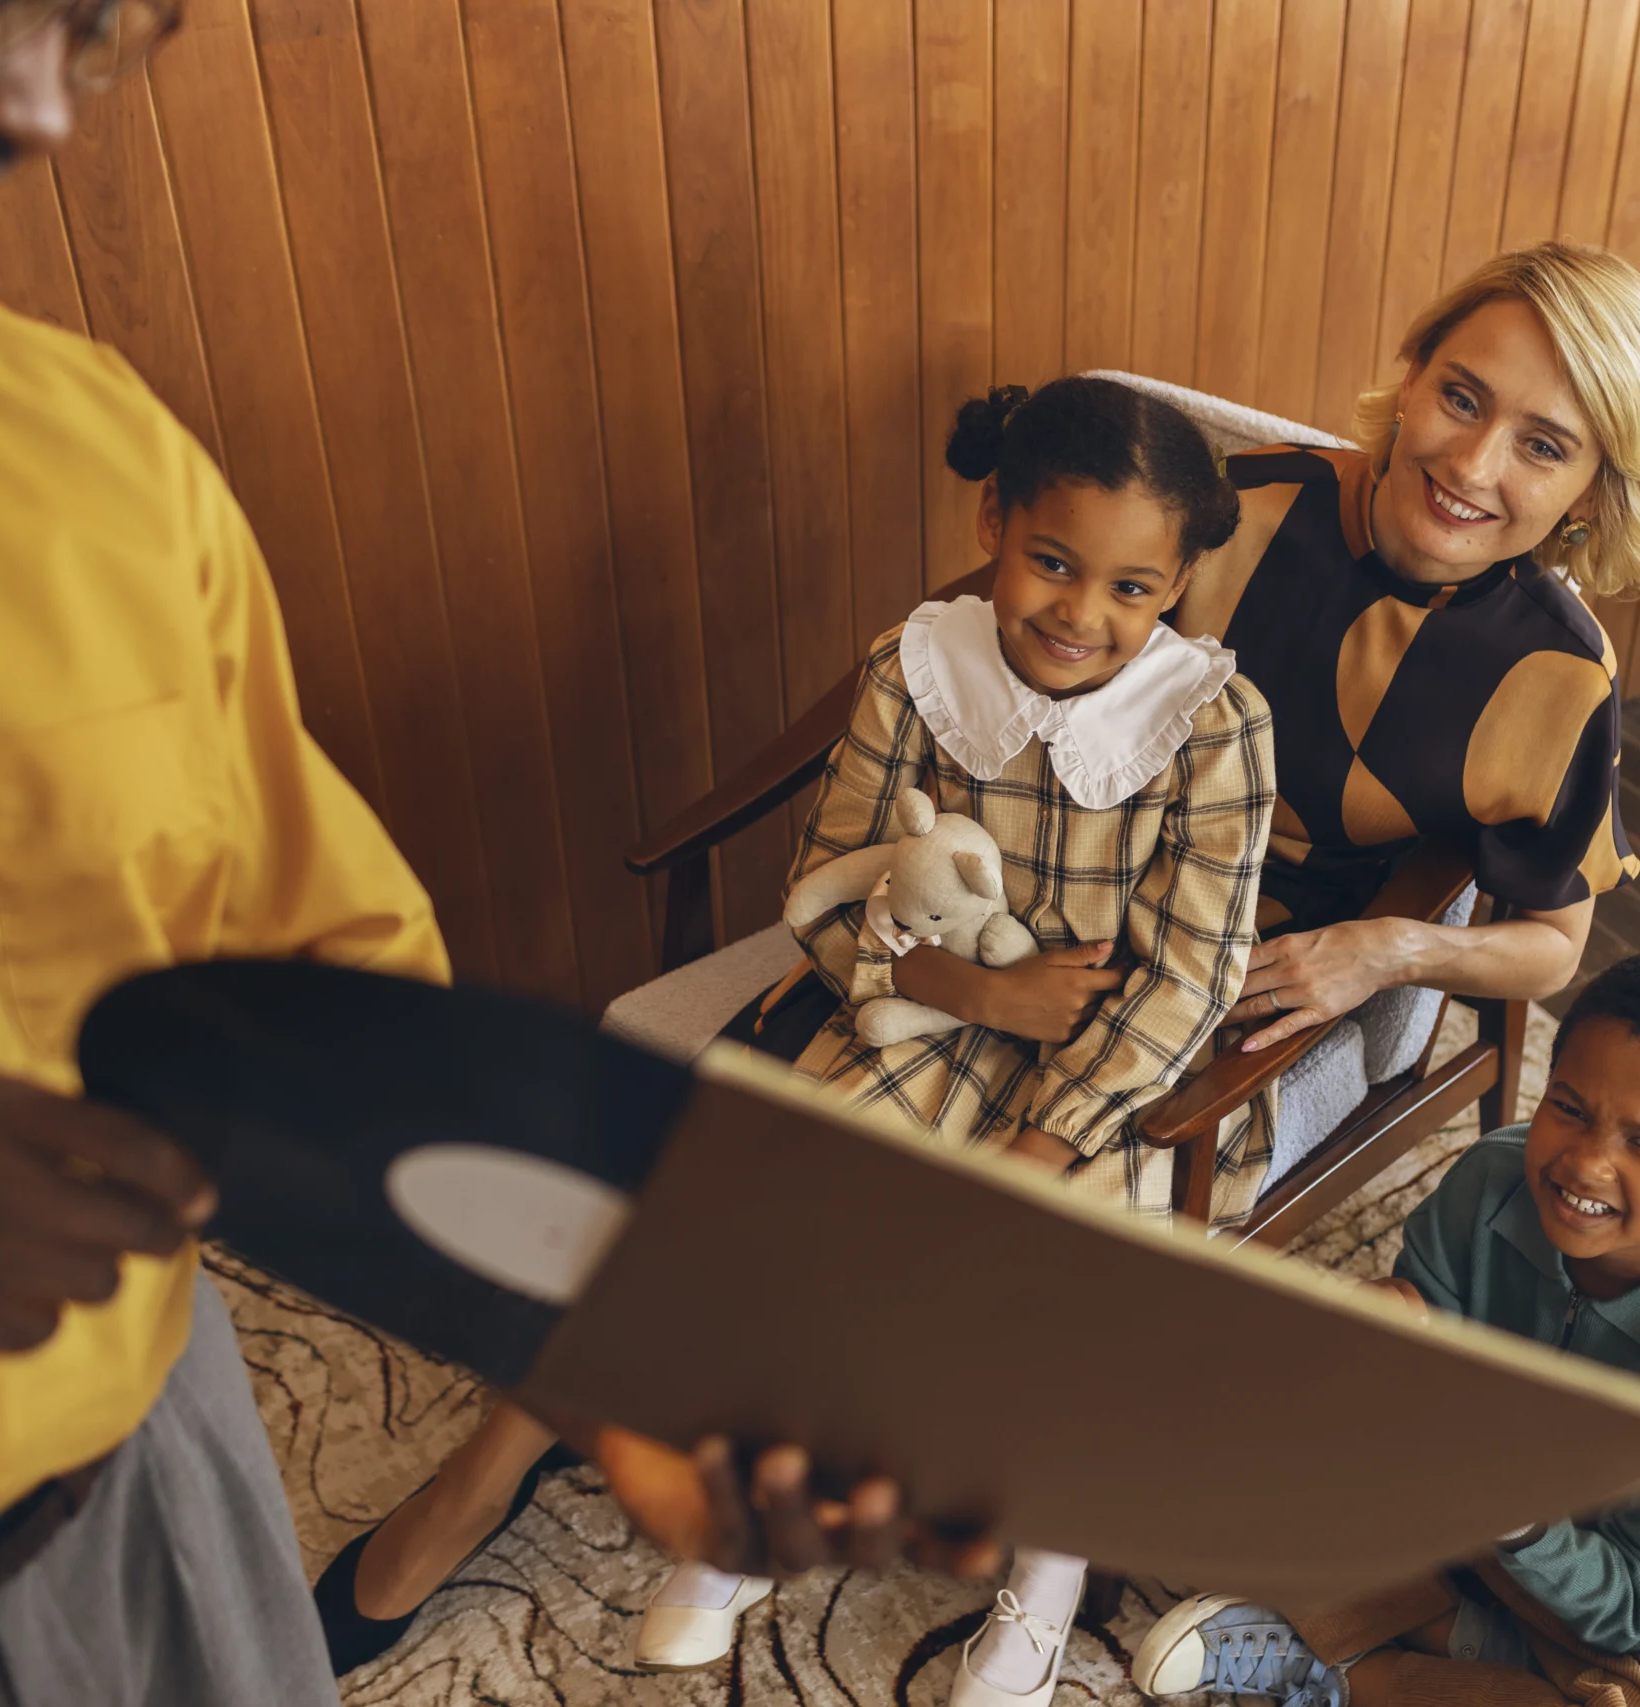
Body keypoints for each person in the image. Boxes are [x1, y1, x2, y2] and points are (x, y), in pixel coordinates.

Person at [0, 4, 943, 1700]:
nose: (30, 109)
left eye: (95, 39)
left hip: (156, 1483)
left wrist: (611, 1356)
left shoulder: (90, 461)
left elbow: (331, 1000)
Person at [335, 375, 1277, 1699]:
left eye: (1134, 588)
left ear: (1180, 581)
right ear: (994, 517)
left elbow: (1195, 973)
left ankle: (1046, 1574)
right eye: (1052, 564)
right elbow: (829, 879)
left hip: (1112, 1063)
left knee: (1061, 1273)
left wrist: (1047, 1132)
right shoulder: (919, 664)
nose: (1082, 615)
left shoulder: (1216, 722)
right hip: (935, 1008)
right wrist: (969, 992)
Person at [1128, 952, 1640, 1707]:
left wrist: (1518, 1518)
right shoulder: (1494, 1177)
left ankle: (1354, 1666)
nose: (1588, 1163)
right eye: (1569, 1107)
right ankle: (1474, 1638)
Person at [1182, 243, 1640, 1061]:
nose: (1471, 465)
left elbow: (1555, 948)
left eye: (1543, 447)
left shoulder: (1563, 676)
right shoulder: (1235, 504)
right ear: (1411, 380)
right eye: (1461, 398)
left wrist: (1391, 950)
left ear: (1590, 492)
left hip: (1257, 976)